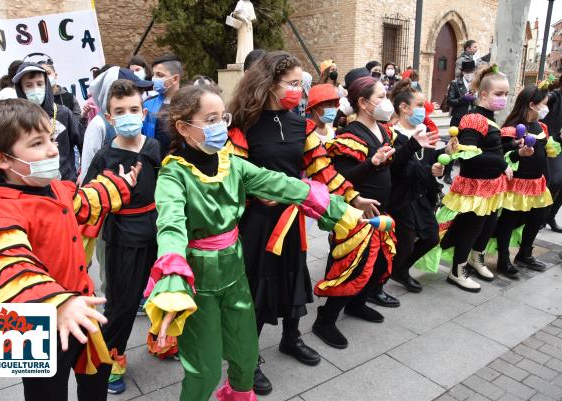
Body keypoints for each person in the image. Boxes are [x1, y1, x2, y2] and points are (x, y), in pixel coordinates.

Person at [143, 83, 364, 401]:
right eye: (210, 120)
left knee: (246, 360)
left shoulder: (230, 163)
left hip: (235, 273)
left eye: (222, 117)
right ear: (183, 127)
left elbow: (277, 182)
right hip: (198, 280)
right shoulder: (173, 176)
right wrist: (174, 276)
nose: (220, 127)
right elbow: (171, 227)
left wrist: (335, 206)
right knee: (203, 371)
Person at [0, 98, 141, 401]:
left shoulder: (59, 187)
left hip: (79, 310)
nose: (52, 149)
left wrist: (118, 186)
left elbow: (84, 202)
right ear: (2, 159)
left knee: (95, 381)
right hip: (32, 323)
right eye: (36, 143)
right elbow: (10, 267)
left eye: (50, 138)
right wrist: (57, 303)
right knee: (44, 393)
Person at [227, 51, 377, 395]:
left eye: (301, 83)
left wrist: (354, 198)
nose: (300, 90)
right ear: (269, 83)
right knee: (255, 289)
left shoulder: (303, 126)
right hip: (256, 223)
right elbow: (233, 175)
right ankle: (249, 360)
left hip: (292, 218)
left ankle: (291, 338)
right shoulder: (242, 125)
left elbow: (322, 171)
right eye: (293, 83)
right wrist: (252, 194)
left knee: (294, 275)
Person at [311, 75, 438, 348]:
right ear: (363, 103)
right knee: (351, 268)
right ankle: (325, 319)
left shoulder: (385, 130)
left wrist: (414, 145)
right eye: (380, 97)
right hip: (357, 214)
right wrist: (371, 163)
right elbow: (343, 180)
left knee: (378, 264)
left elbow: (392, 166)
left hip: (382, 210)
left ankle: (356, 305)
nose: (386, 101)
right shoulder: (349, 136)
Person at [82, 79, 162, 394]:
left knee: (162, 291)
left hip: (155, 231)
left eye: (133, 109)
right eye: (119, 111)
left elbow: (166, 184)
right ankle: (109, 358)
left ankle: (164, 338)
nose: (127, 115)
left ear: (143, 112)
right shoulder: (104, 156)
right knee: (122, 304)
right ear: (109, 116)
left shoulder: (154, 147)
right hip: (121, 238)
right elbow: (87, 197)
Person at [422, 64, 511, 292]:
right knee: (470, 229)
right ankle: (457, 270)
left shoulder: (488, 117)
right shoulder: (474, 119)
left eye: (506, 94)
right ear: (483, 94)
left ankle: (475, 259)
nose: (503, 99)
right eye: (498, 94)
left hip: (491, 186)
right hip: (475, 187)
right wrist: (501, 163)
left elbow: (491, 147)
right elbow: (468, 158)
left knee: (486, 226)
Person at [387, 79, 448, 293]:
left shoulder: (424, 130)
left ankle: (399, 270)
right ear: (404, 108)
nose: (425, 109)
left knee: (431, 237)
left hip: (421, 195)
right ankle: (381, 280)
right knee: (404, 243)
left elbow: (428, 161)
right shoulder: (393, 135)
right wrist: (428, 170)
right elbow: (400, 170)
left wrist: (445, 154)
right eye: (420, 105)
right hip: (401, 197)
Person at [494, 84, 559, 277]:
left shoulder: (542, 126)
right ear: (532, 105)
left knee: (536, 220)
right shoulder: (511, 129)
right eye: (544, 104)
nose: (546, 108)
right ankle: (503, 259)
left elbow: (546, 153)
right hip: (517, 184)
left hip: (538, 183)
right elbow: (502, 154)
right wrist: (518, 152)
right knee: (509, 221)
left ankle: (525, 254)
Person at [12, 62, 84, 182]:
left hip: (66, 183)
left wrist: (83, 172)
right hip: (32, 185)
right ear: (21, 89)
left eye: (39, 84)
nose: (35, 89)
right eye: (29, 85)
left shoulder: (63, 113)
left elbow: (84, 143)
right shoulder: (15, 118)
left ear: (46, 84)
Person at [142, 53, 183, 156]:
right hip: (154, 164)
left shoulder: (190, 105)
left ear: (175, 79)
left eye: (160, 75)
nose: (154, 79)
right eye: (154, 75)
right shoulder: (148, 104)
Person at [543, 74, 562, 232]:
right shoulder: (555, 96)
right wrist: (544, 86)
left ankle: (550, 215)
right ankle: (541, 213)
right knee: (555, 180)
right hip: (551, 144)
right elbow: (541, 98)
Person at [448, 60, 477, 128]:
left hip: (474, 118)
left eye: (471, 71)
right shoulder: (455, 83)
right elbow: (450, 101)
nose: (469, 74)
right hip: (459, 118)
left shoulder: (477, 83)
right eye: (467, 72)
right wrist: (463, 98)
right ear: (463, 72)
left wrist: (476, 99)